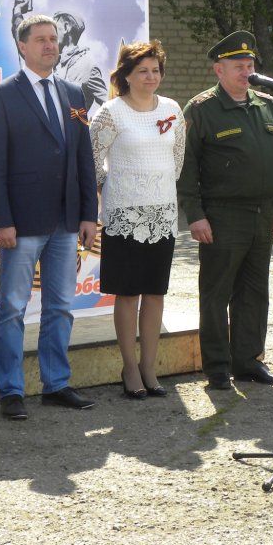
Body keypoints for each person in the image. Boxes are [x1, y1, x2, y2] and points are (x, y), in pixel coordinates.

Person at [0, 14, 98, 420]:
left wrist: (88, 214)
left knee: (60, 306)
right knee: (12, 309)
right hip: (22, 223)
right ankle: (11, 390)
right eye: (41, 39)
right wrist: (2, 220)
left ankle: (56, 384)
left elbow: (83, 156)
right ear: (22, 46)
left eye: (54, 39)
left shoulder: (73, 93)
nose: (50, 45)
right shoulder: (0, 95)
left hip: (66, 221)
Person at [176, 30, 273, 390]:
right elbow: (186, 166)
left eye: (250, 65)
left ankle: (248, 361)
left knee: (255, 292)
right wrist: (195, 214)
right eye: (238, 66)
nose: (246, 72)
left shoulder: (267, 104)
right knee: (217, 293)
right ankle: (216, 367)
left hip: (263, 214)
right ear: (219, 70)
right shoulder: (201, 109)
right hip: (222, 215)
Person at [90, 41, 185, 399]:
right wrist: (116, 187)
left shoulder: (172, 109)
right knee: (128, 293)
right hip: (124, 216)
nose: (150, 77)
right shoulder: (111, 112)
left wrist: (157, 187)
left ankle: (149, 366)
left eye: (155, 70)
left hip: (162, 214)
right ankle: (130, 367)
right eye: (142, 70)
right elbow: (92, 160)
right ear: (126, 75)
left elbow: (177, 158)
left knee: (155, 292)